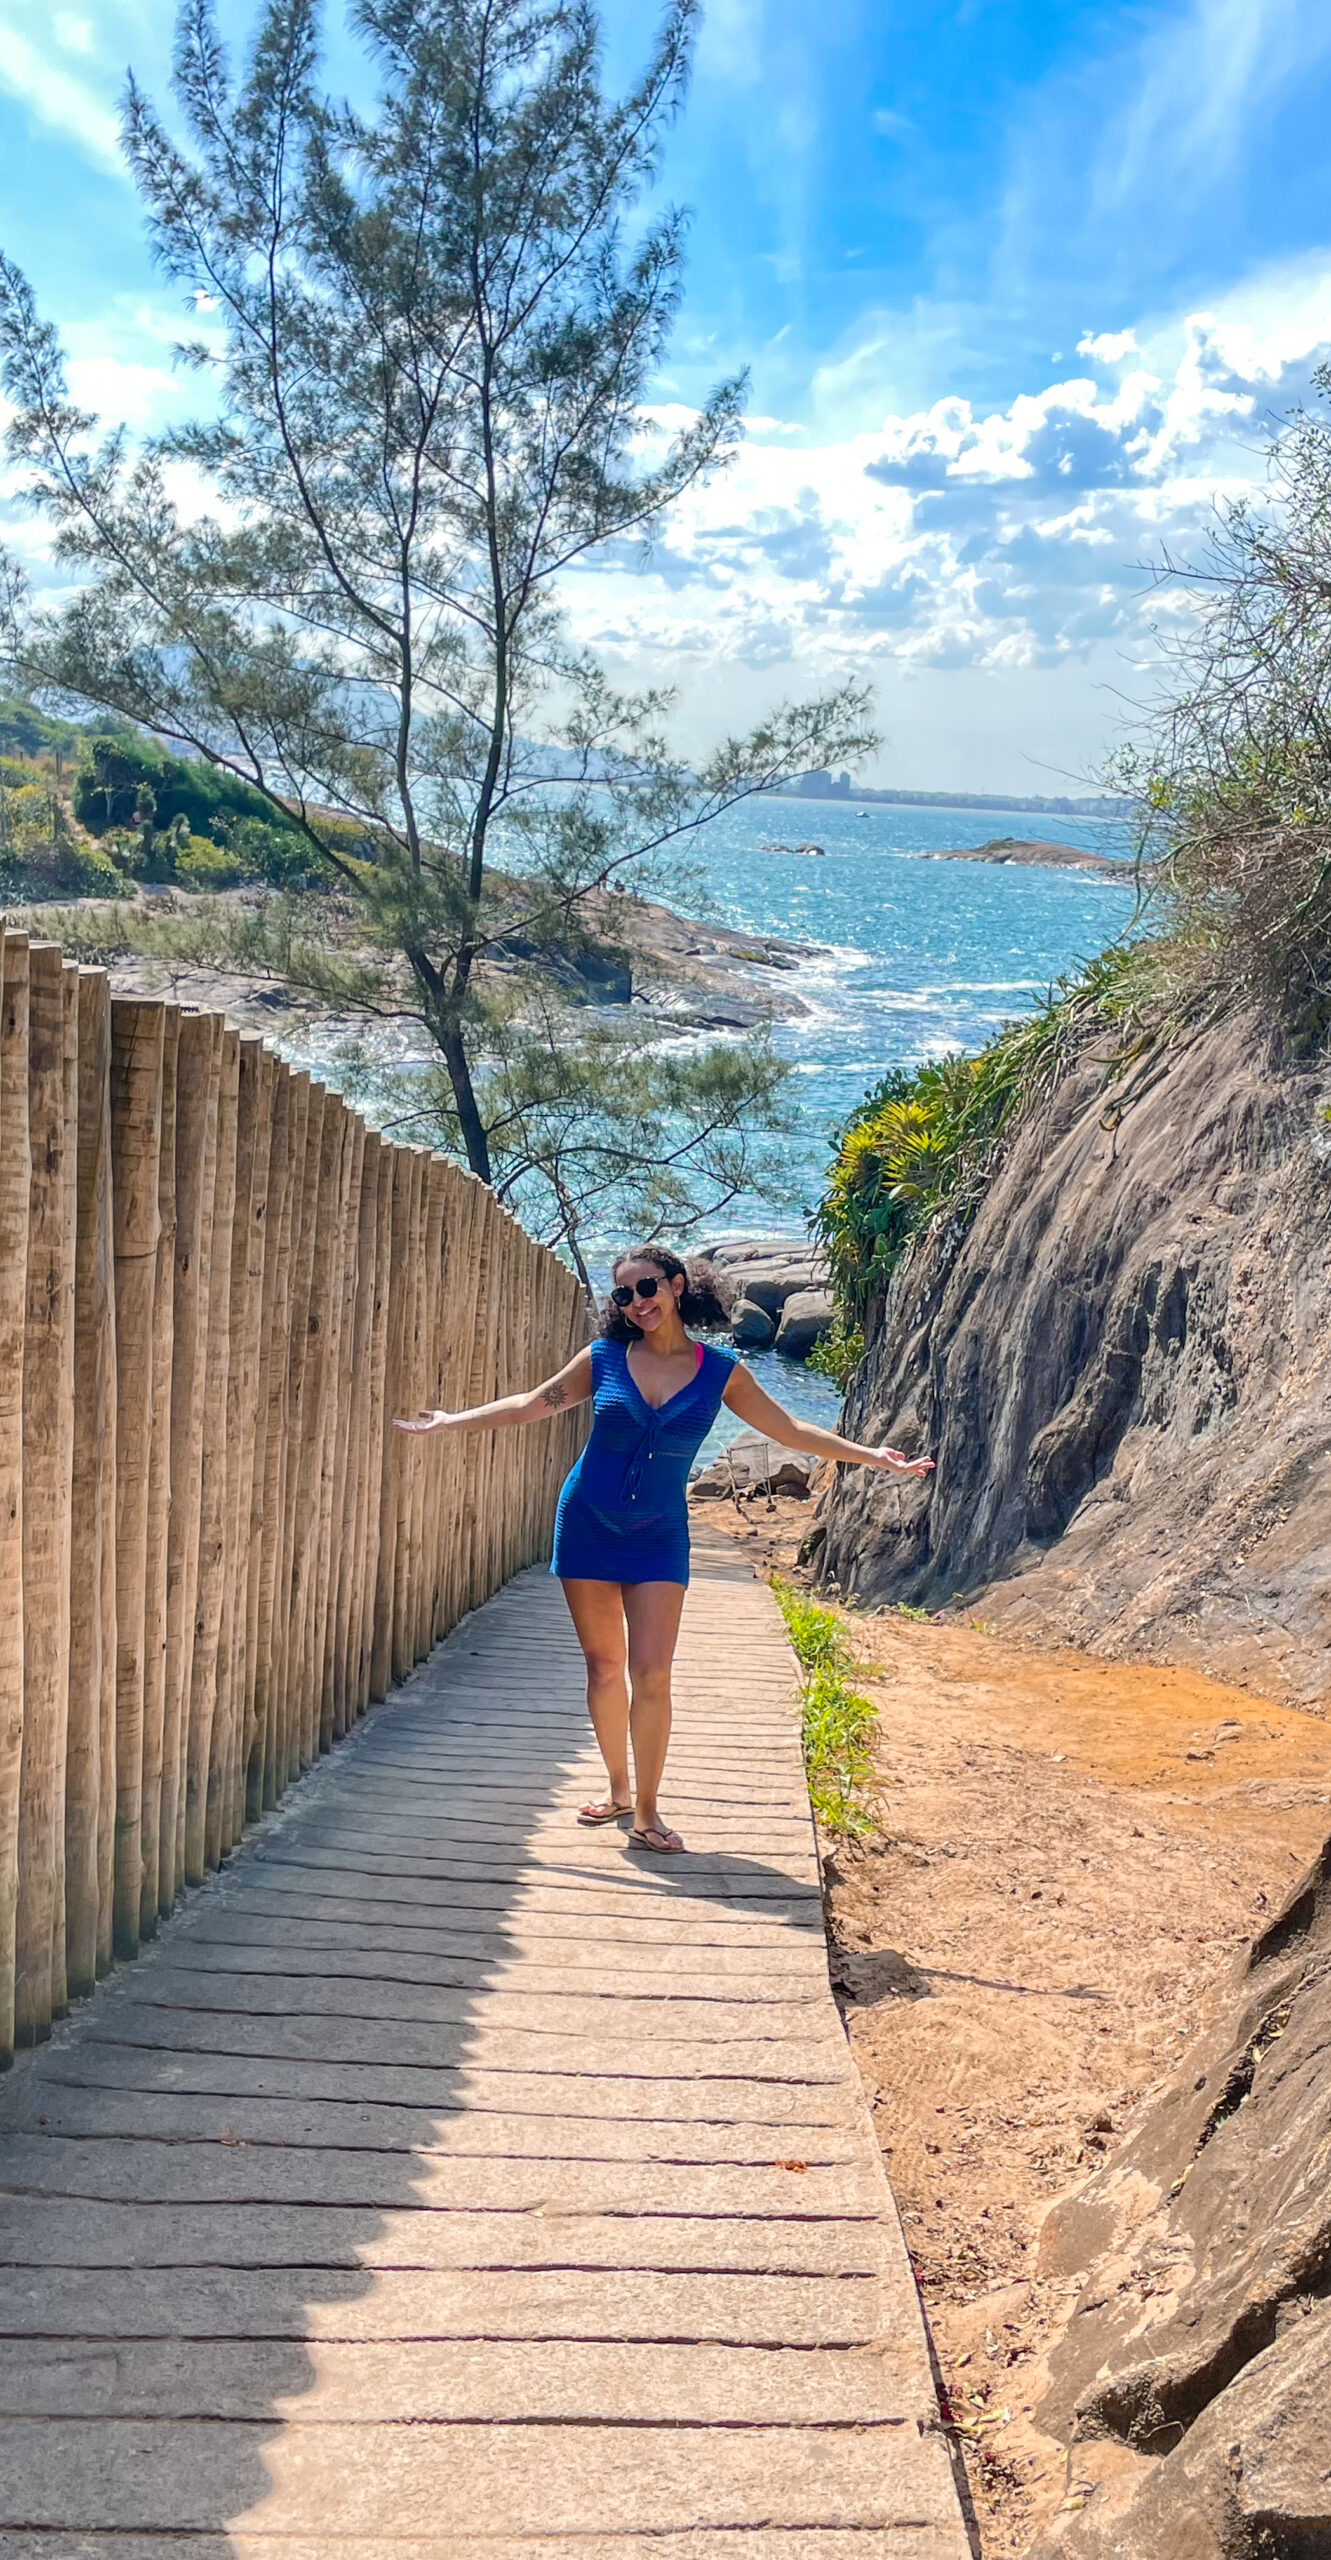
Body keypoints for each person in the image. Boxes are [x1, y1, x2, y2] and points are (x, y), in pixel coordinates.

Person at [395, 1243, 933, 1855]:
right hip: (587, 1522)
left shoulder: (720, 1370)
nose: (637, 1303)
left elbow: (789, 1431)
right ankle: (618, 1789)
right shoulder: (602, 1358)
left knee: (651, 1673)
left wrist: (871, 1455)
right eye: (623, 1295)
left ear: (677, 1284)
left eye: (646, 1287)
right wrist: (450, 1421)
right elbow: (528, 1407)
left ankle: (648, 1811)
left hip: (659, 1534)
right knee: (603, 1668)